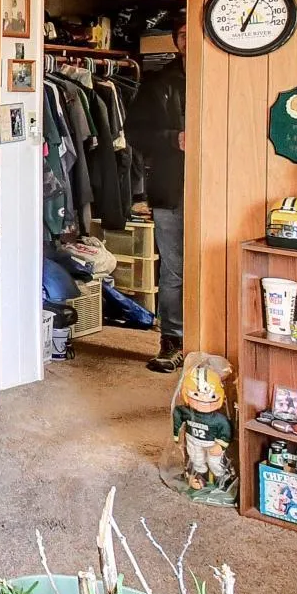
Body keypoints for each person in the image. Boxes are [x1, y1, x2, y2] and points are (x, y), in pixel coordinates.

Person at [125, 19, 187, 371]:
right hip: (170, 187)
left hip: (219, 188)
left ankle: (213, 340)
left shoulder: (227, 75)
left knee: (215, 265)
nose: (187, 40)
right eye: (181, 35)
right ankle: (172, 340)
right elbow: (134, 133)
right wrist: (172, 138)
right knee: (173, 270)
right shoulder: (158, 83)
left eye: (192, 33)